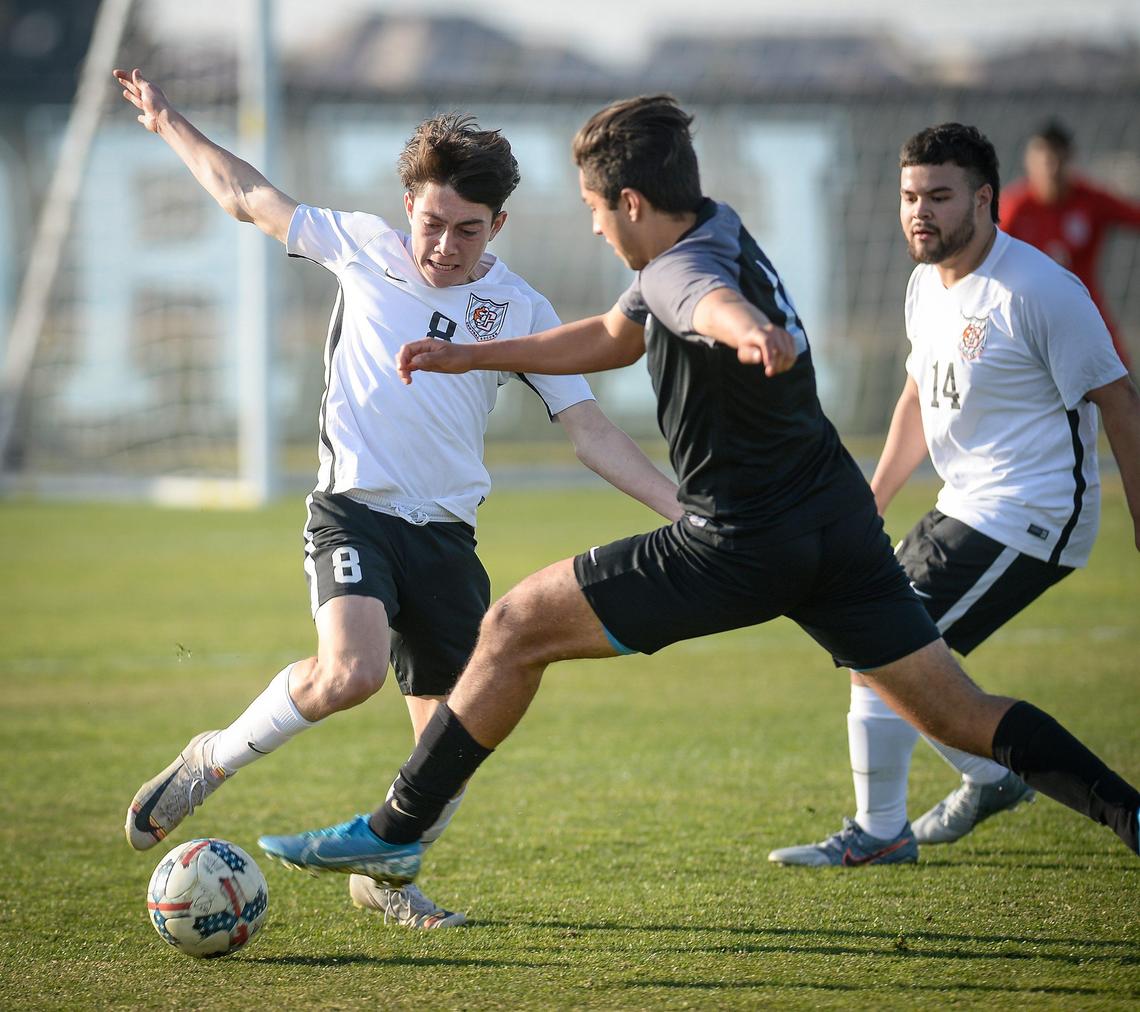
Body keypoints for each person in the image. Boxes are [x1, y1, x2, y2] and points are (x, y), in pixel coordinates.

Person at [254, 97, 1140, 895]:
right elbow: (612, 335)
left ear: (632, 203)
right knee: (962, 712)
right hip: (839, 527)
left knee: (516, 625)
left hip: (739, 543)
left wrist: (743, 328)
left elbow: (699, 302)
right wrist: (470, 355)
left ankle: (394, 832)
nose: (597, 233)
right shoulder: (716, 226)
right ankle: (1129, 815)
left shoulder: (682, 273)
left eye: (599, 213)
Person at [113, 70, 683, 929]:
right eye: (431, 223)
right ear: (406, 206)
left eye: (468, 230)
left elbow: (590, 431)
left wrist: (683, 510)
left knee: (446, 752)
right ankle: (211, 760)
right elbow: (246, 196)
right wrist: (168, 124)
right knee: (351, 672)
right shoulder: (361, 246)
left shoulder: (517, 306)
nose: (445, 246)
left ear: (498, 226)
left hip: (448, 540)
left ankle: (383, 877)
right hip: (355, 510)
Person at [767, 123, 1140, 868]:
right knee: (869, 639)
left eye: (939, 196)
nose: (920, 212)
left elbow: (1120, 402)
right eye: (910, 196)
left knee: (884, 644)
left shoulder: (1038, 289)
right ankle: (952, 796)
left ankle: (917, 820)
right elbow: (918, 394)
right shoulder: (922, 285)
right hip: (963, 507)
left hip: (1032, 513)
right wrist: (875, 496)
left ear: (984, 198)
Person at [1000, 120, 1140, 370]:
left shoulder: (1091, 200)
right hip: (1030, 315)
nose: (1051, 170)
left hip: (1085, 309)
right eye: (1044, 161)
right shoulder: (1015, 208)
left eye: (1057, 160)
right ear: (1030, 162)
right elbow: (987, 253)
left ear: (1070, 160)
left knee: (1120, 378)